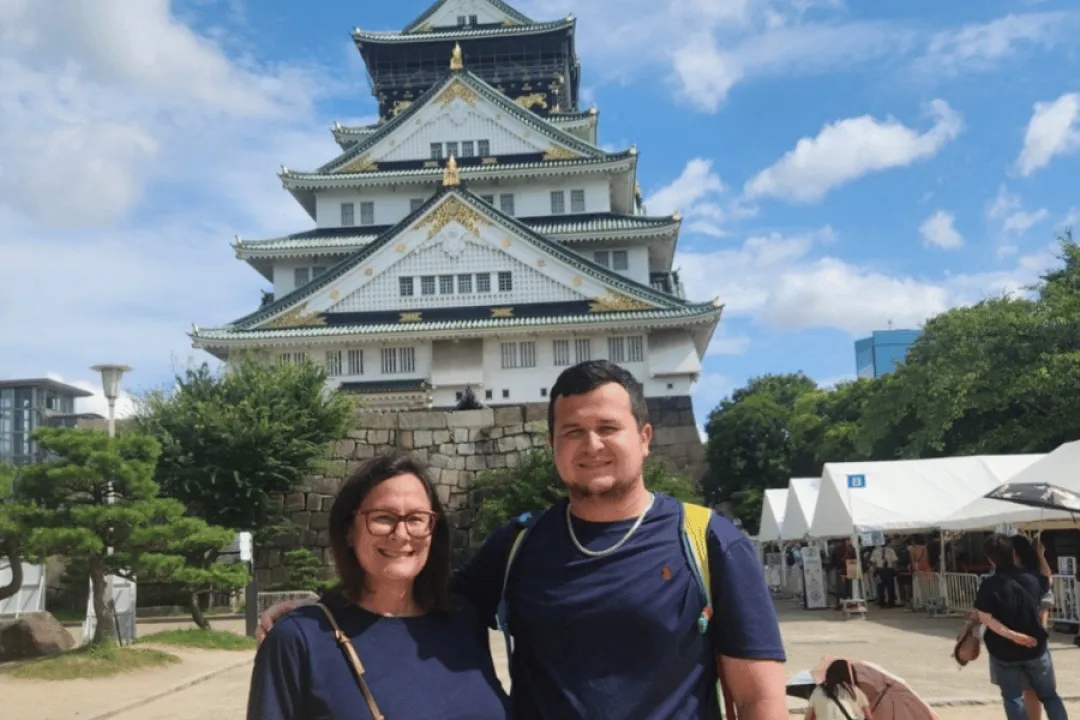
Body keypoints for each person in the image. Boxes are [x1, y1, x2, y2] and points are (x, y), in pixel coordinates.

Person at [259, 360, 788, 719]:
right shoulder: (520, 543)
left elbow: (760, 702)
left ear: (645, 438)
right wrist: (316, 612)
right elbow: (409, 594)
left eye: (608, 427)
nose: (592, 444)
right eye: (573, 432)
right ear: (553, 445)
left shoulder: (708, 542)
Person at [247, 451, 510, 720]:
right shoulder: (298, 640)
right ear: (349, 530)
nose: (401, 534)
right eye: (383, 517)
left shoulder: (463, 619)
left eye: (416, 518)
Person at [973, 534, 1067, 720]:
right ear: (1013, 552)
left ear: (990, 558)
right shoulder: (1033, 578)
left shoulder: (989, 585)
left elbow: (985, 617)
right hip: (1036, 647)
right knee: (1049, 696)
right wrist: (1040, 554)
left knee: (1013, 698)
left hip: (1003, 651)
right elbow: (1046, 588)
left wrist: (1012, 635)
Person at [1007, 535, 1056, 720]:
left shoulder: (1014, 574)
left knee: (1026, 688)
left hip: (1022, 634)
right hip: (1031, 634)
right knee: (1031, 688)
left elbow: (1047, 584)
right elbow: (1047, 583)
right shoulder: (1028, 573)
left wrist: (1040, 554)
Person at [805, 659, 873, 720]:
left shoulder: (817, 691)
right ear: (847, 674)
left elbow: (808, 717)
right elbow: (869, 716)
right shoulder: (853, 690)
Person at [869, 542, 898, 608]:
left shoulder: (876, 551)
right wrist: (895, 570)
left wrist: (873, 571)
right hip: (885, 570)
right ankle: (886, 602)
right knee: (886, 587)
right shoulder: (890, 550)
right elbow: (894, 561)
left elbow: (873, 562)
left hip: (883, 570)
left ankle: (885, 602)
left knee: (883, 587)